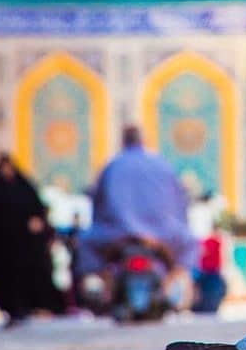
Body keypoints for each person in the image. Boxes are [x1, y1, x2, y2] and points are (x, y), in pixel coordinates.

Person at [75, 125, 196, 310]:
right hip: (162, 236)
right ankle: (175, 289)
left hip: (116, 234)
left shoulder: (112, 166)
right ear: (144, 141)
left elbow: (98, 202)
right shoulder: (161, 165)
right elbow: (179, 203)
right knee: (188, 247)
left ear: (123, 141)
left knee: (85, 245)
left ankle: (102, 290)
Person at [0, 153, 64, 324]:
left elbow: (36, 209)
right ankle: (9, 309)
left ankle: (23, 308)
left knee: (23, 277)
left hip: (22, 247)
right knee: (1, 279)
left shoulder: (23, 187)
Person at [192, 227, 227, 314]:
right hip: (208, 273)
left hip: (209, 273)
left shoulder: (211, 241)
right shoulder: (212, 241)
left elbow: (202, 252)